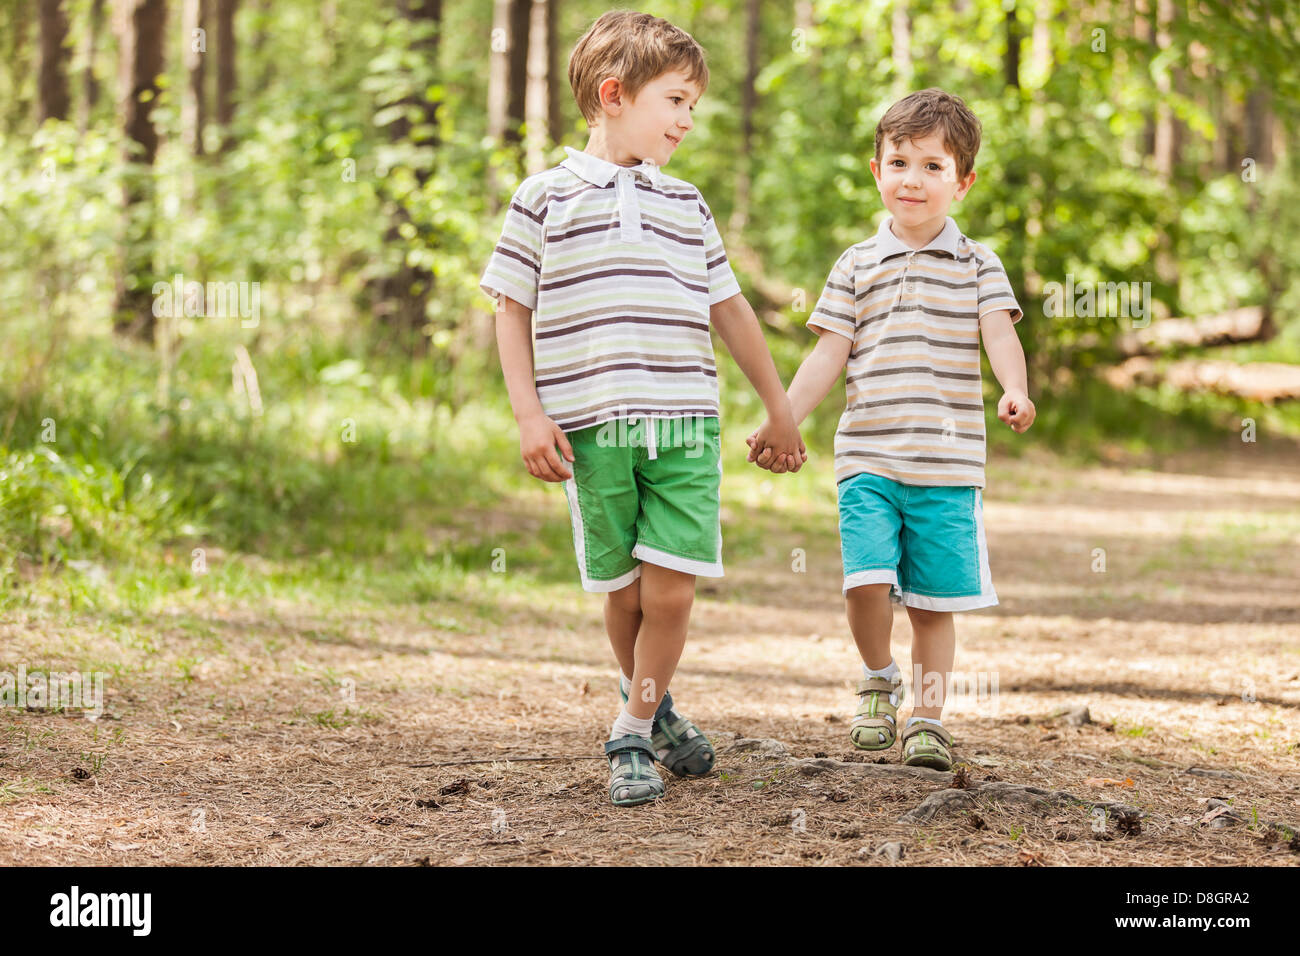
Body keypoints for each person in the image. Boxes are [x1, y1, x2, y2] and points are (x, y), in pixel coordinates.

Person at [480, 10, 805, 806]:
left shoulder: (687, 204)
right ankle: (654, 708)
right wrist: (528, 414)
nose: (689, 120)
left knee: (672, 591)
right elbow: (510, 310)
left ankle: (629, 726)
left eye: (694, 105)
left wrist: (780, 405)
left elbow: (729, 310)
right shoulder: (542, 198)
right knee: (623, 592)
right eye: (678, 101)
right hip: (592, 428)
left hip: (684, 423)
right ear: (614, 94)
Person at [749, 88, 1034, 771]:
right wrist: (783, 416)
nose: (913, 179)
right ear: (877, 170)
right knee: (865, 583)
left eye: (933, 167)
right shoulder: (855, 264)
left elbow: (998, 332)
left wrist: (1015, 389)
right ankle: (879, 675)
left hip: (947, 466)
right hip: (868, 456)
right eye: (900, 161)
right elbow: (828, 353)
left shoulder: (977, 263)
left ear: (962, 183)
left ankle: (928, 719)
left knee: (935, 604)